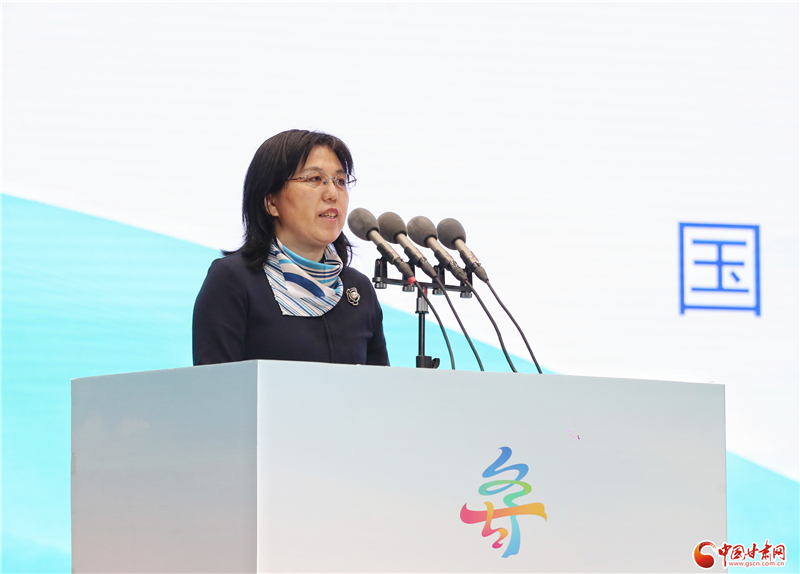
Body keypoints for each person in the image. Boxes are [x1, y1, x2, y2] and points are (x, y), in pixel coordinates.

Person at [192, 129, 389, 366]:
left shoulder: (358, 289)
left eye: (340, 181)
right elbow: (215, 384)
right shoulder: (233, 281)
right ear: (271, 202)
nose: (332, 194)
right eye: (315, 179)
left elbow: (380, 386)